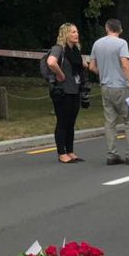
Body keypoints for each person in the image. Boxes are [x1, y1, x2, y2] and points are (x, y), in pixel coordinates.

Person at [89, 18, 129, 165]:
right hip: (121, 87)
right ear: (120, 30)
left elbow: (91, 67)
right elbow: (125, 64)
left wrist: (103, 73)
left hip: (105, 87)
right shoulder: (122, 44)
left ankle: (112, 154)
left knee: (110, 122)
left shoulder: (97, 43)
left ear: (107, 28)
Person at [46, 23, 85, 164]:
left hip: (75, 90)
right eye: (73, 32)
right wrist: (61, 74)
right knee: (62, 122)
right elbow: (51, 62)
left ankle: (70, 151)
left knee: (71, 122)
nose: (76, 34)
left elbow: (81, 65)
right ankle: (61, 153)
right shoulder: (58, 49)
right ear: (65, 34)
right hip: (62, 91)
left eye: (77, 31)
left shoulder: (75, 50)